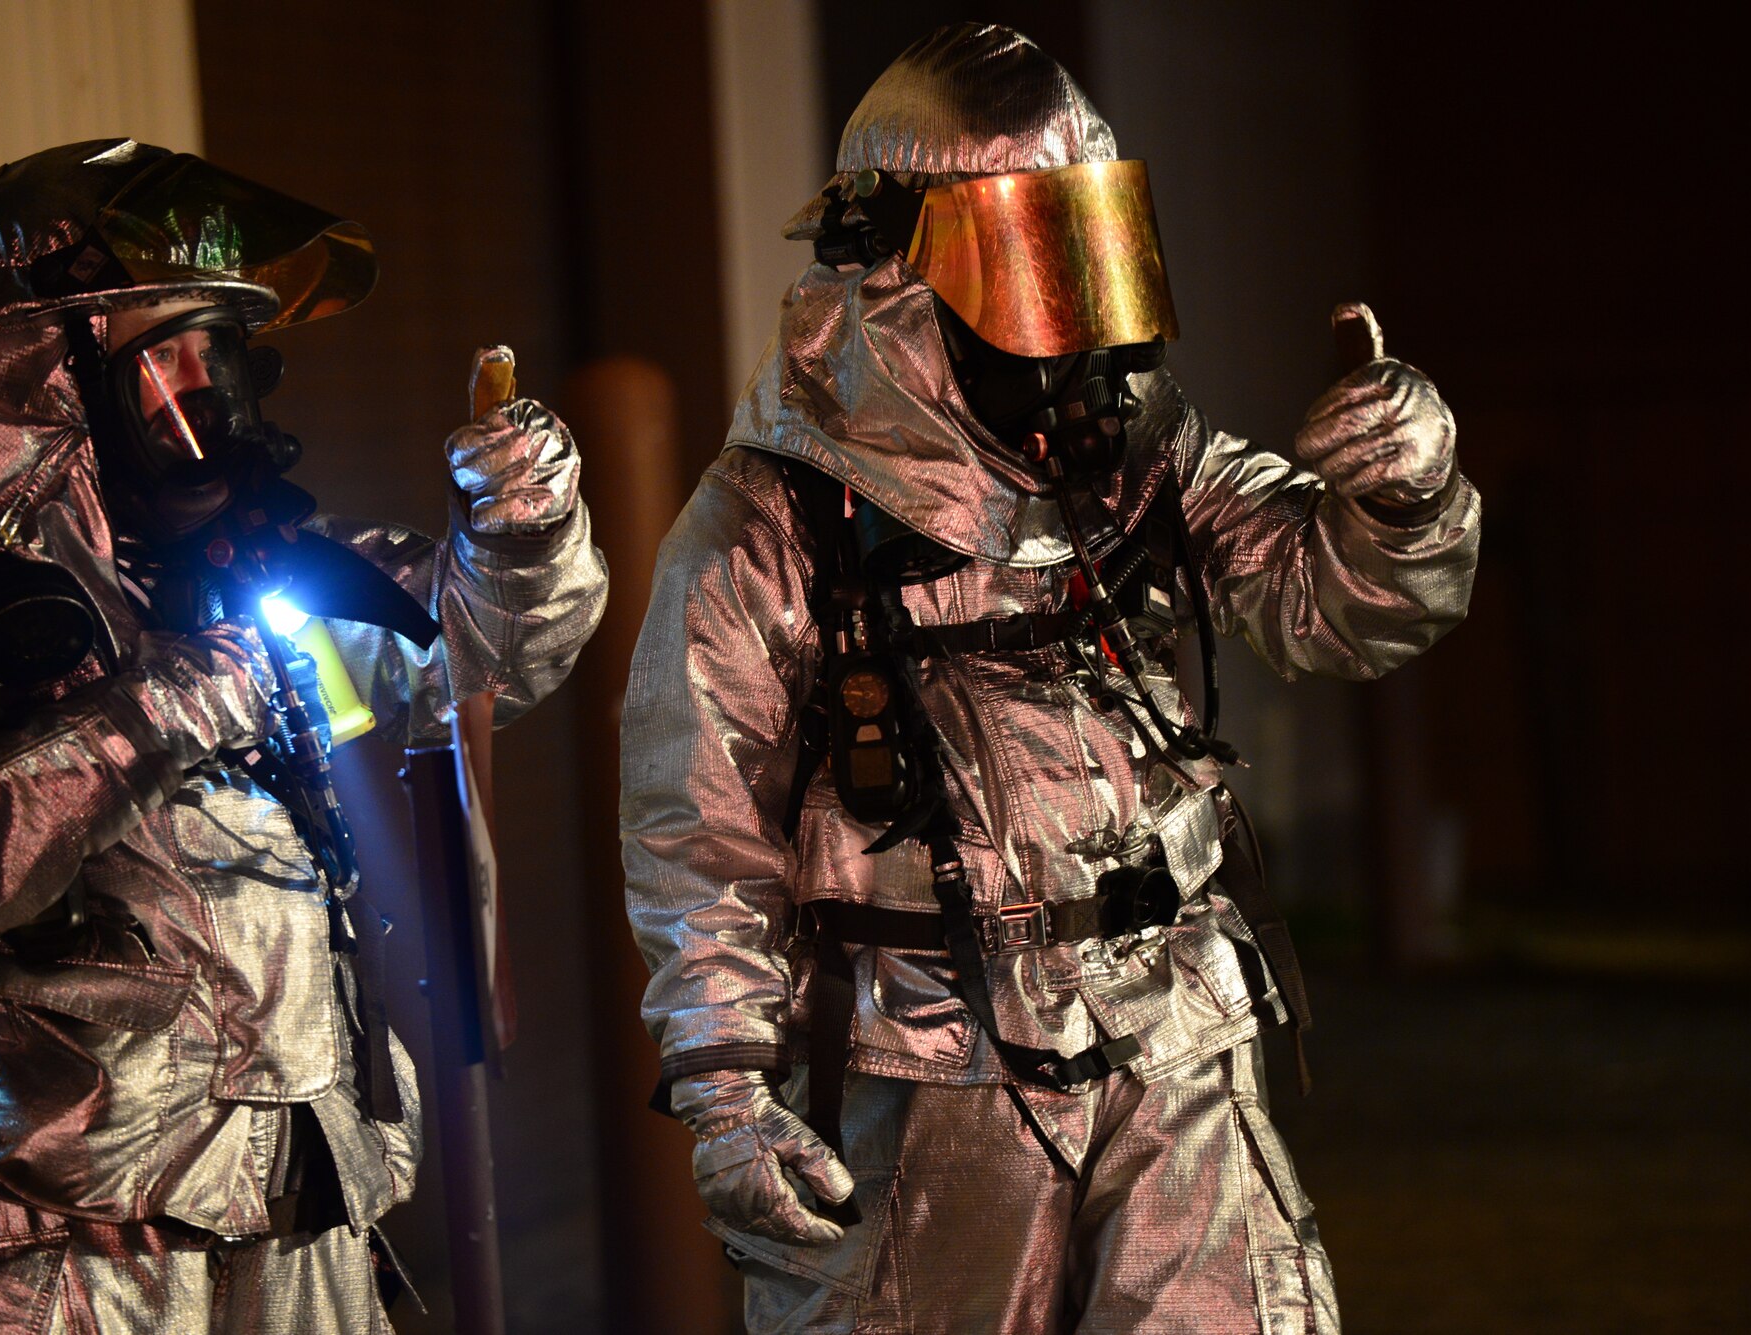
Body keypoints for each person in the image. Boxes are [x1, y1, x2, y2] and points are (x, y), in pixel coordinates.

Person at [621, 23, 1477, 1333]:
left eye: (1086, 255)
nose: (1067, 315)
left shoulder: (1136, 448)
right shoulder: (770, 526)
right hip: (931, 1078)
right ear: (901, 273)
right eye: (1028, 262)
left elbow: (1331, 605)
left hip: (1174, 1018)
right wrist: (728, 1087)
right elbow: (701, 825)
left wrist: (1405, 501)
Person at [0, 138, 607, 1333]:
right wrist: (160, 709)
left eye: (220, 360)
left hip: (302, 1211)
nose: (208, 405)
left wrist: (519, 539)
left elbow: (468, 656)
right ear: (54, 383)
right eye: (166, 365)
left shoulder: (263, 581)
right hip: (71, 1249)